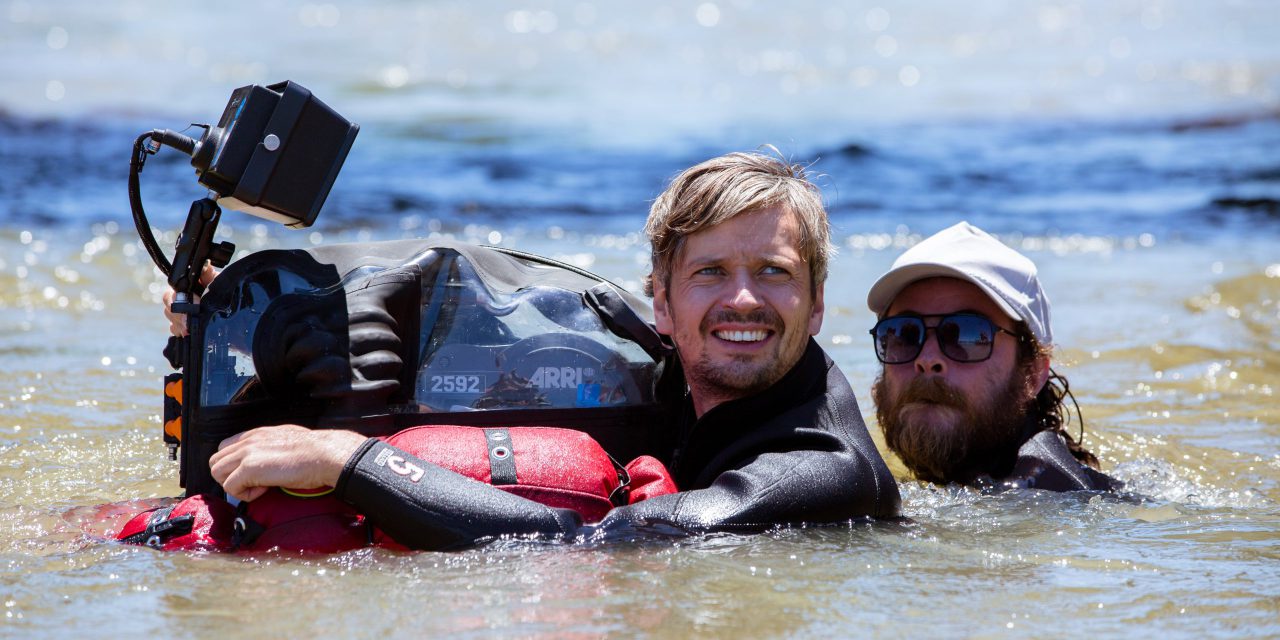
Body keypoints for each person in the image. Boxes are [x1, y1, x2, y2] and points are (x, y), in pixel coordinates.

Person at [185, 150, 900, 549]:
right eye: (711, 272)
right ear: (662, 302)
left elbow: (590, 542)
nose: (742, 301)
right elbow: (479, 341)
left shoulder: (822, 471)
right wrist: (241, 327)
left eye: (773, 273)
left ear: (816, 306)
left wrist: (349, 461)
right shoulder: (674, 369)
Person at [865, 221, 1117, 491]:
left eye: (965, 334)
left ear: (1031, 374)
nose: (927, 359)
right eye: (904, 334)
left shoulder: (1047, 497)